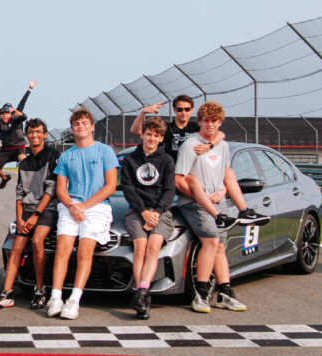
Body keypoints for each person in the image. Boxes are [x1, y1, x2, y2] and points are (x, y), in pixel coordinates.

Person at [174, 101, 269, 314]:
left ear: (220, 122)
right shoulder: (191, 145)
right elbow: (179, 180)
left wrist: (223, 192)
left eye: (214, 121)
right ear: (200, 121)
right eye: (206, 120)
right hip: (194, 204)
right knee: (211, 241)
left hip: (219, 203)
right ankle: (201, 293)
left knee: (219, 247)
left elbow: (224, 174)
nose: (210, 125)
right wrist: (203, 199)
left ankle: (225, 292)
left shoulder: (221, 145)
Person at [47, 108, 119, 321]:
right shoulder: (66, 156)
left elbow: (111, 186)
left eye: (85, 123)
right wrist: (72, 206)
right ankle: (56, 297)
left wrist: (84, 206)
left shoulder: (105, 151)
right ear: (72, 129)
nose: (81, 127)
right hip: (71, 205)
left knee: (84, 252)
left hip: (96, 206)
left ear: (92, 126)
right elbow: (61, 189)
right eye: (77, 124)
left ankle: (74, 300)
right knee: (62, 250)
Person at [0, 118, 59, 310]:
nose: (34, 135)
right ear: (26, 135)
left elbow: (51, 189)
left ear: (45, 134)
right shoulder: (25, 162)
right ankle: (7, 294)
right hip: (28, 210)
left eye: (38, 131)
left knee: (37, 241)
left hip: (48, 209)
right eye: (31, 132)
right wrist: (20, 218)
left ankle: (40, 291)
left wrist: (35, 216)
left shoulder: (53, 155)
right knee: (16, 246)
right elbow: (20, 192)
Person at [119, 116, 176, 320]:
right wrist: (143, 211)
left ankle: (142, 292)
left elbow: (169, 190)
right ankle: (143, 295)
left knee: (153, 247)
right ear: (142, 134)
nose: (152, 138)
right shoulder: (131, 160)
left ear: (161, 138)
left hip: (160, 211)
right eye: (149, 134)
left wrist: (157, 213)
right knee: (140, 248)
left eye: (156, 135)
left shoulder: (167, 160)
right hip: (137, 211)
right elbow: (128, 188)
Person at [130, 94, 222, 161]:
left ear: (192, 110)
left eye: (187, 109)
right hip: (170, 170)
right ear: (174, 110)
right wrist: (143, 113)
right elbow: (136, 131)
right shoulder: (166, 127)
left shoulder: (196, 127)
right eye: (179, 109)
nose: (183, 112)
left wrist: (209, 145)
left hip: (191, 170)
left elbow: (220, 134)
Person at [0, 80, 36, 188]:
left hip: (18, 147)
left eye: (8, 111)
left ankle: (29, 181)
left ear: (11, 111)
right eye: (3, 113)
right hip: (6, 149)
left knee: (24, 159)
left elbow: (22, 104)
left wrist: (29, 89)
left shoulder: (16, 118)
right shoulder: (0, 121)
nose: (5, 115)